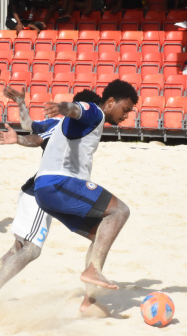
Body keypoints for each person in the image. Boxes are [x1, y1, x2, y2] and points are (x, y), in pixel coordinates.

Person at [0, 88, 102, 305]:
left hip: (42, 190)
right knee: (32, 249)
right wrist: (20, 140)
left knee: (18, 248)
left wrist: (20, 102)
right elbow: (34, 137)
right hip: (39, 194)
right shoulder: (66, 124)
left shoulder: (72, 126)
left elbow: (28, 126)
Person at [33, 79, 138, 312]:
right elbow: (79, 109)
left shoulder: (85, 123)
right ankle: (94, 270)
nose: (126, 116)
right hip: (58, 183)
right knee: (120, 211)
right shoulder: (96, 112)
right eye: (125, 109)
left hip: (46, 191)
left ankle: (88, 302)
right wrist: (64, 107)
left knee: (100, 234)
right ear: (110, 102)